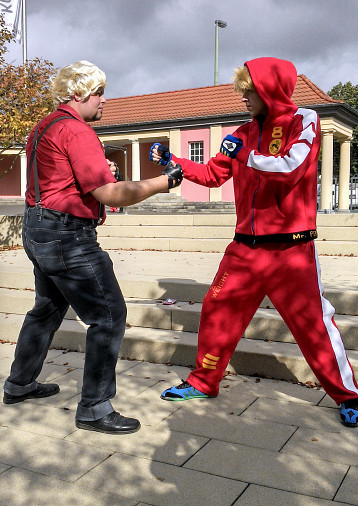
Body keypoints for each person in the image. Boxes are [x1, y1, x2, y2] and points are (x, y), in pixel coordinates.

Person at [149, 56, 358, 427]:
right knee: (217, 310)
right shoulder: (241, 132)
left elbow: (291, 167)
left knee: (314, 325)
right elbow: (214, 174)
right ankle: (204, 381)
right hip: (244, 249)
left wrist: (244, 154)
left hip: (292, 252)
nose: (243, 98)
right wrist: (174, 159)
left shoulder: (303, 121)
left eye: (249, 90)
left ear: (270, 89)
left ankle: (349, 395)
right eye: (242, 91)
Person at [2, 60, 183, 435]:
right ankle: (94, 408)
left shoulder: (44, 126)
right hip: (68, 236)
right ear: (78, 94)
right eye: (99, 93)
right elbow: (110, 194)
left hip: (38, 228)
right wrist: (161, 183)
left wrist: (103, 172)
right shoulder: (77, 130)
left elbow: (65, 177)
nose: (104, 101)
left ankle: (19, 384)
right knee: (110, 316)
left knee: (47, 309)